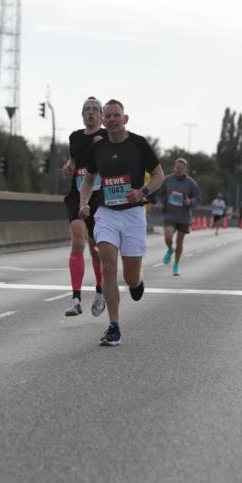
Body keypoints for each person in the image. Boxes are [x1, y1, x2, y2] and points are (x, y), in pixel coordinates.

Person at [78, 100, 164, 346]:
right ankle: (113, 326)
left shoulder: (138, 144)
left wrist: (143, 191)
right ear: (104, 122)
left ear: (125, 119)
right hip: (106, 212)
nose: (113, 119)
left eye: (117, 115)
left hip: (133, 214)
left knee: (130, 277)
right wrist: (83, 203)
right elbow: (88, 179)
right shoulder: (98, 148)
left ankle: (138, 280)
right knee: (107, 267)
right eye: (109, 116)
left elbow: (159, 174)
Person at [61, 97, 107, 317]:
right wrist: (68, 167)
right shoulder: (75, 137)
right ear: (82, 115)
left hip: (101, 197)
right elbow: (72, 160)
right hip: (77, 194)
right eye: (87, 110)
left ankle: (100, 292)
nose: (90, 113)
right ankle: (76, 299)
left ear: (101, 115)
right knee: (77, 241)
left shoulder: (108, 137)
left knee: (96, 249)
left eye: (94, 110)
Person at [156, 157, 202, 276]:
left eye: (181, 168)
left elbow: (198, 198)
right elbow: (159, 194)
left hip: (183, 217)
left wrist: (190, 202)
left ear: (185, 170)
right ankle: (170, 249)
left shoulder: (191, 183)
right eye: (177, 168)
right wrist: (160, 202)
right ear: (174, 168)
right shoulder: (167, 180)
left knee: (180, 241)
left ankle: (176, 265)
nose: (179, 170)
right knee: (168, 237)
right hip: (169, 214)